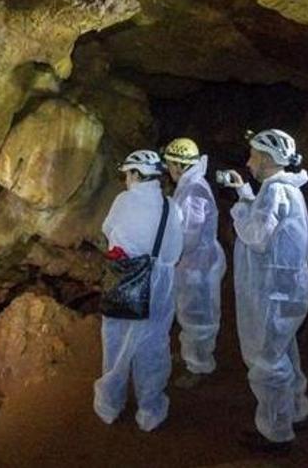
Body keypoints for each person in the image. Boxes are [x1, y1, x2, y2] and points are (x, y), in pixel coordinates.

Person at [217, 129, 308, 453]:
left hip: (274, 294)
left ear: (268, 160)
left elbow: (257, 235)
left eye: (254, 156)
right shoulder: (282, 190)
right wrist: (243, 191)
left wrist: (239, 208)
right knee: (285, 352)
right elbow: (266, 220)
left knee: (265, 360)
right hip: (285, 291)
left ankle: (276, 432)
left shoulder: (276, 193)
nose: (248, 161)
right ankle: (296, 409)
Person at [94, 149, 185, 432]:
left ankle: (109, 405)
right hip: (161, 281)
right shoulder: (172, 206)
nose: (125, 180)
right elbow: (175, 250)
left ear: (136, 174)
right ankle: (150, 410)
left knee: (116, 341)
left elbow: (108, 229)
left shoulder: (124, 201)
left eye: (127, 174)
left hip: (126, 278)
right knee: (154, 343)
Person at [161, 137, 226, 390]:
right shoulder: (190, 186)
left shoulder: (193, 192)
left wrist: (164, 252)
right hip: (194, 264)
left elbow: (188, 237)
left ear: (179, 165)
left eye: (170, 165)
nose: (169, 170)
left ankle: (199, 365)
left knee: (198, 317)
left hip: (198, 267)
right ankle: (191, 354)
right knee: (188, 312)